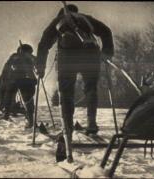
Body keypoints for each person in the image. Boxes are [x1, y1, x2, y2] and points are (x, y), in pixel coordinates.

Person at [36, 4, 114, 161]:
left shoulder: (59, 19)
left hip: (68, 56)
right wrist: (107, 52)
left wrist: (40, 66)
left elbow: (44, 43)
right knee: (91, 88)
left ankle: (68, 129)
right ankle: (91, 123)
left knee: (66, 93)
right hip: (91, 54)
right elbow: (106, 31)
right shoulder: (86, 18)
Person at [0, 43, 37, 128]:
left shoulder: (15, 56)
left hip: (17, 79)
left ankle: (7, 115)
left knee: (11, 97)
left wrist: (4, 76)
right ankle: (30, 120)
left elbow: (7, 66)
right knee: (27, 100)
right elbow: (36, 65)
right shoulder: (28, 57)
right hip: (24, 80)